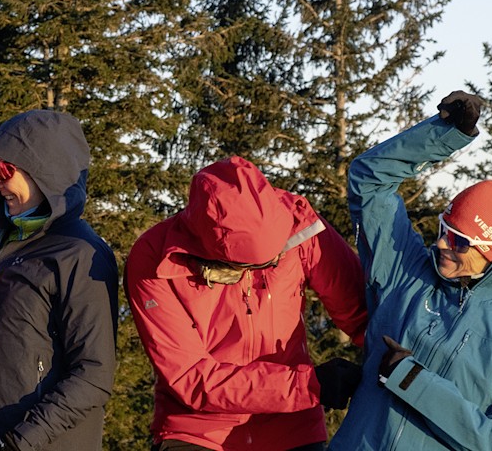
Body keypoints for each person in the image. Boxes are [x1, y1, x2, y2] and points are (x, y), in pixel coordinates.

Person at [329, 91, 492, 451]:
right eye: (445, 229)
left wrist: (414, 380)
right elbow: (369, 180)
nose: (442, 244)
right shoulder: (407, 274)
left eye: (460, 241)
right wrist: (445, 134)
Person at [124, 156, 369, 451]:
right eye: (258, 264)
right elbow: (191, 376)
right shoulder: (155, 259)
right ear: (216, 253)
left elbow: (362, 314)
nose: (274, 264)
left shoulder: (298, 225)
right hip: (197, 433)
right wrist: (307, 385)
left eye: (276, 257)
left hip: (293, 430)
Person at [0, 109, 119, 451]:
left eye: (4, 170)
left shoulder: (80, 254)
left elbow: (94, 374)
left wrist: (19, 443)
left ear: (43, 171)